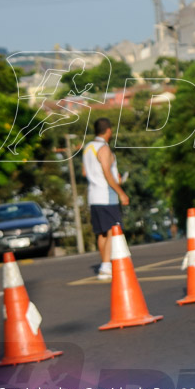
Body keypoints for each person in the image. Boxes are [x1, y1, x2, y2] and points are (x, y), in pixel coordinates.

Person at [82, 117, 128, 280]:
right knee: (112, 229)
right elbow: (108, 174)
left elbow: (85, 173)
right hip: (106, 195)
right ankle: (107, 266)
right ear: (108, 131)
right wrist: (121, 192)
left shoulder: (88, 148)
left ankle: (105, 263)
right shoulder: (104, 149)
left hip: (93, 196)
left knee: (101, 233)